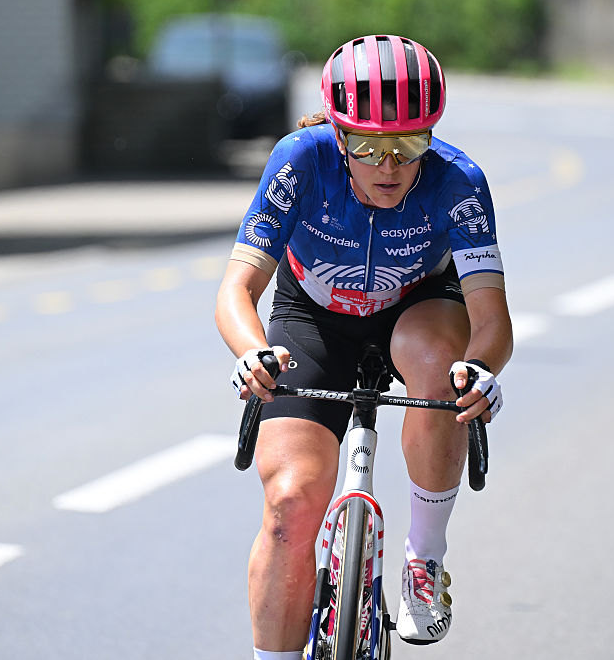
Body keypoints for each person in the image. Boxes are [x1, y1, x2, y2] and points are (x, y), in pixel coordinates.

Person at [216, 34, 513, 660]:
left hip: (418, 307)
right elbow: (237, 289)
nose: (389, 165)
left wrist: (478, 370)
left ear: (430, 135)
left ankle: (424, 563)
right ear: (338, 134)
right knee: (292, 502)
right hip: (313, 316)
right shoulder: (300, 159)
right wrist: (251, 353)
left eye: (408, 145)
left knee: (438, 364)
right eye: (367, 146)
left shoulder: (458, 181)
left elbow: (492, 319)